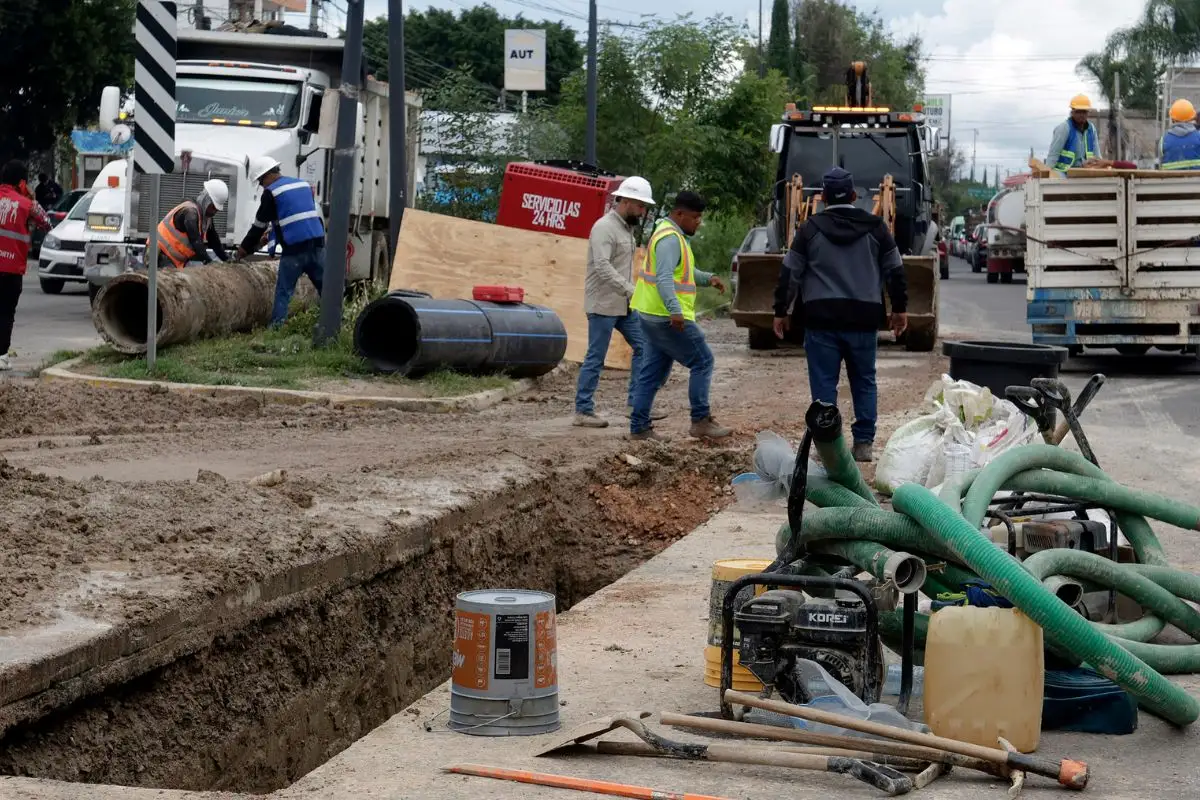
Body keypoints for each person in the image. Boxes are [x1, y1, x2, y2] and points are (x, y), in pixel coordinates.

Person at [773, 167, 907, 463]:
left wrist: (781, 310)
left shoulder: (809, 229)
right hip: (863, 319)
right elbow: (895, 271)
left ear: (822, 197)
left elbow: (790, 272)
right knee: (864, 380)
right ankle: (864, 444)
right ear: (854, 196)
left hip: (821, 319)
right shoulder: (876, 228)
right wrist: (899, 309)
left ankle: (828, 446)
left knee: (824, 385)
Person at [628, 191, 730, 441]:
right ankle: (700, 420)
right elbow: (664, 279)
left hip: (652, 313)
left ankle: (639, 427)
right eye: (695, 217)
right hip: (666, 317)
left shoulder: (669, 234)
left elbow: (683, 272)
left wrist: (708, 278)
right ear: (680, 214)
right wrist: (675, 311)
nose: (698, 222)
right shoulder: (670, 239)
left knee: (652, 372)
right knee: (703, 361)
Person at [574, 176, 669, 428]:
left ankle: (636, 404)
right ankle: (583, 410)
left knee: (643, 346)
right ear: (626, 201)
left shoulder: (626, 229)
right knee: (596, 356)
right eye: (640, 206)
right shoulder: (604, 228)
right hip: (603, 304)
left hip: (624, 305)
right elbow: (602, 266)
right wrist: (630, 290)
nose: (643, 211)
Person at [236, 156, 325, 326]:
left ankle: (276, 329)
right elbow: (295, 217)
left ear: (267, 175)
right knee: (327, 288)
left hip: (295, 251)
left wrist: (243, 249)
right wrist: (271, 235)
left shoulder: (271, 192)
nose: (262, 186)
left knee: (284, 292)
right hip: (318, 245)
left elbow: (259, 226)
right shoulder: (302, 184)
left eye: (261, 182)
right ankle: (335, 321)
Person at [0, 160, 51, 371]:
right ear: (22, 182)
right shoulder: (26, 204)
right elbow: (46, 223)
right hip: (11, 269)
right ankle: (1, 356)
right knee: (5, 312)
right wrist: (30, 198)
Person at [155, 179, 231, 268]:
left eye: (217, 210)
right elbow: (195, 240)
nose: (214, 212)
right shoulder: (190, 213)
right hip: (158, 254)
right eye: (213, 207)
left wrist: (227, 259)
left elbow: (214, 240)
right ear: (206, 200)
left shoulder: (206, 218)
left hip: (172, 259)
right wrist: (208, 262)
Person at [1047, 95, 1103, 174]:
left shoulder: (1091, 130)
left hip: (1083, 171)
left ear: (1088, 113)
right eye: (1078, 111)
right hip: (1063, 172)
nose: (1081, 115)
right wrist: (1047, 175)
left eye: (1084, 112)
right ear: (1072, 112)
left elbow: (1097, 156)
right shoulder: (1064, 128)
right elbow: (1053, 155)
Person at [1162, 99, 1200, 170]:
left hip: (1169, 177)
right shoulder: (1199, 137)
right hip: (1196, 177)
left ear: (1173, 119)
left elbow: (1159, 165)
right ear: (1192, 117)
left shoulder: (1163, 141)